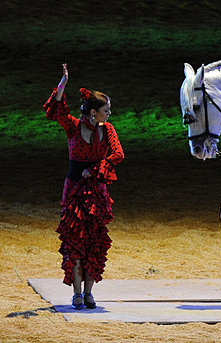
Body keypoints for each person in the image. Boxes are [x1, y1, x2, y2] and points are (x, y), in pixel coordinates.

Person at [43, 64, 124, 310]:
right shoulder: (73, 127)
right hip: (75, 190)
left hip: (96, 192)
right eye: (106, 110)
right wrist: (62, 85)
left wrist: (97, 169)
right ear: (93, 112)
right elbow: (56, 111)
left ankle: (89, 293)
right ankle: (77, 293)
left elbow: (118, 154)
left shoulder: (107, 130)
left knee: (94, 241)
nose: (109, 114)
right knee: (74, 241)